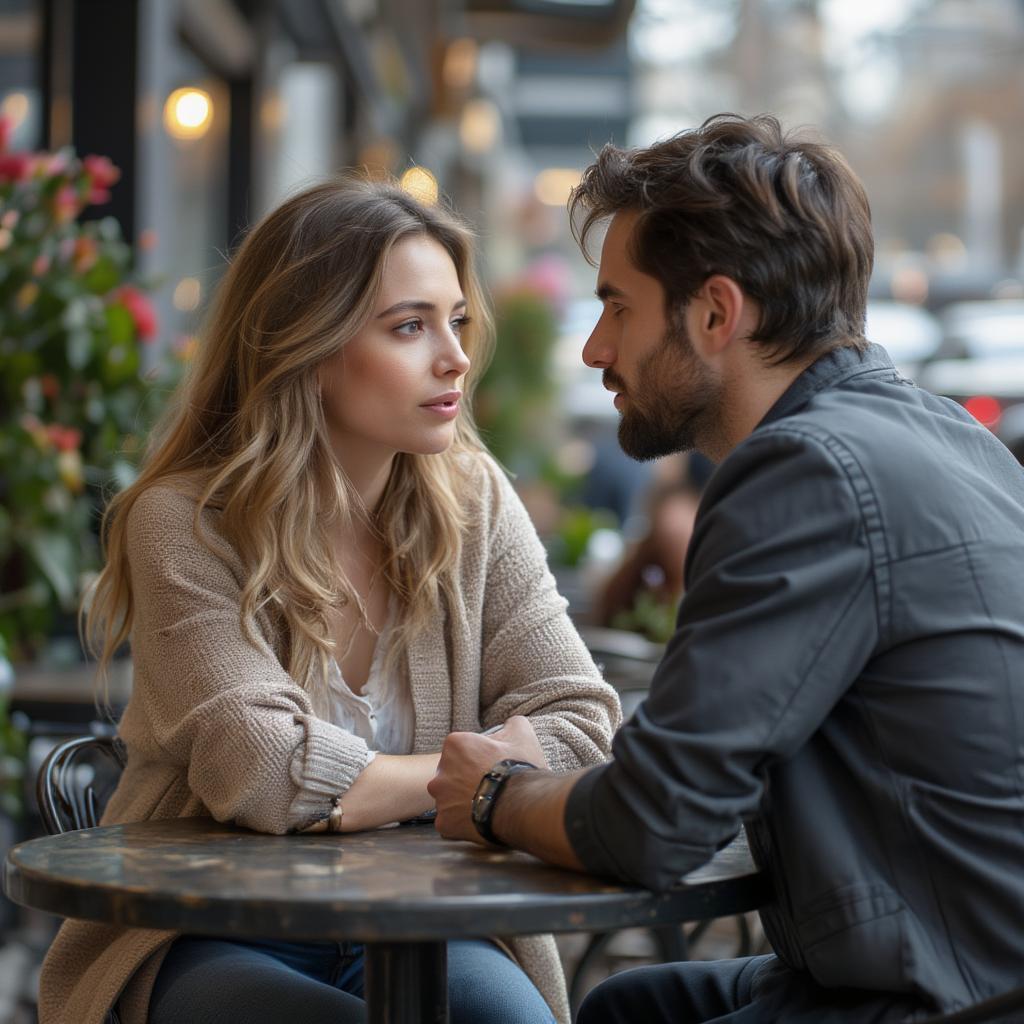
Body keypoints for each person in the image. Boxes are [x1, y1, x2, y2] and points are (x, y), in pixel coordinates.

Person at [428, 113, 1024, 1023]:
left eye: (617, 306)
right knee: (631, 1007)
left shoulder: (807, 473)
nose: (595, 349)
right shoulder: (952, 438)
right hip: (958, 962)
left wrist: (496, 793)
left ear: (715, 313)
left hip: (946, 997)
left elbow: (655, 825)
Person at [38, 177, 621, 1024]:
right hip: (209, 929)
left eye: (455, 320)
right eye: (409, 326)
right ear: (304, 346)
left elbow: (581, 720)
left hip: (434, 922)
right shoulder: (184, 523)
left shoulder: (475, 501)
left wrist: (421, 785)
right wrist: (479, 776)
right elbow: (264, 771)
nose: (455, 356)